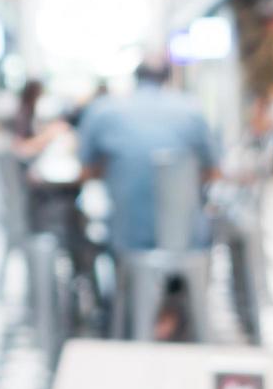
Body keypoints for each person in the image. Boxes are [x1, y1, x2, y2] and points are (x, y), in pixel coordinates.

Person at [76, 61, 219, 252]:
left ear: (134, 79)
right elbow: (214, 172)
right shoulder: (192, 109)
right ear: (168, 79)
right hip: (187, 238)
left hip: (127, 237)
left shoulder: (103, 110)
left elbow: (85, 172)